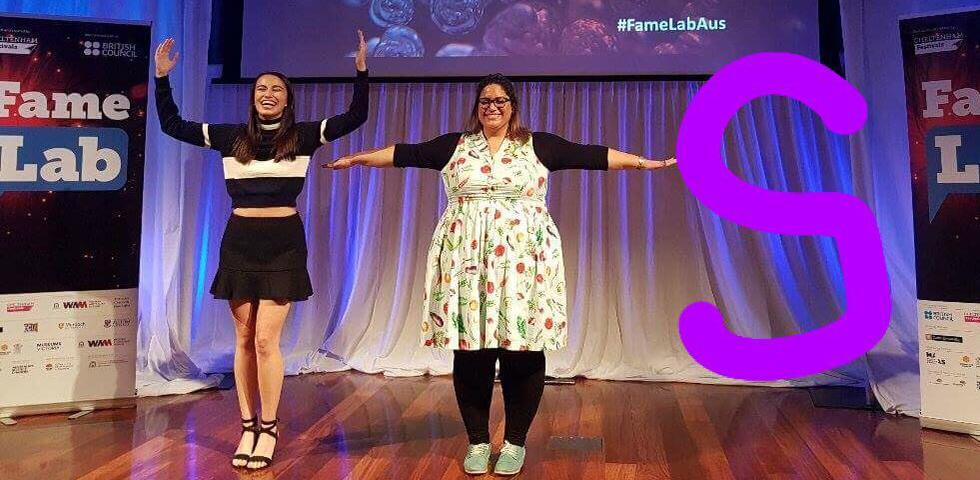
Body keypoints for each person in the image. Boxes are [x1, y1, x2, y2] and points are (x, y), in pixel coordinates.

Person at [324, 73, 675, 476]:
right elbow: (406, 153)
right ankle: (477, 440)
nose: (492, 106)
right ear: (477, 106)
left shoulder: (538, 145)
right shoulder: (455, 146)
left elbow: (590, 155)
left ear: (513, 105)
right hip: (464, 257)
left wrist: (644, 163)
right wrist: (356, 158)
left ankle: (514, 442)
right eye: (485, 100)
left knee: (521, 350)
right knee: (471, 350)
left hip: (525, 258)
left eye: (500, 100)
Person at [153, 32, 369, 470]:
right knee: (245, 339)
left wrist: (362, 71)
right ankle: (247, 425)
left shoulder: (306, 136)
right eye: (260, 89)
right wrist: (161, 79)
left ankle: (269, 428)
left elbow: (355, 117)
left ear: (287, 101)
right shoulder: (231, 137)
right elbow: (173, 125)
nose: (268, 95)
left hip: (284, 245)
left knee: (268, 340)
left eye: (276, 90)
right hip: (240, 243)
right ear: (252, 99)